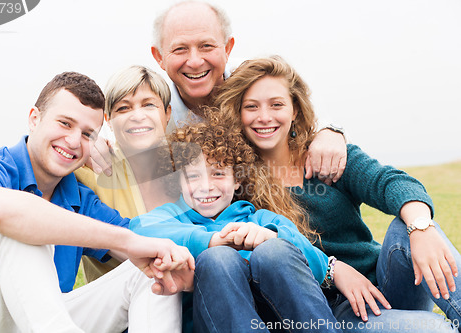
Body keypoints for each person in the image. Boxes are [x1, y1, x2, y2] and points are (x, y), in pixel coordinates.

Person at [214, 55, 461, 332]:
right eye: (251, 107)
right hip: (333, 310)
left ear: (295, 109)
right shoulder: (234, 183)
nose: (264, 117)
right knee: (435, 328)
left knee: (410, 226)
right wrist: (332, 271)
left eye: (276, 104)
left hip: (386, 284)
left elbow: (390, 182)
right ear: (238, 113)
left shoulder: (326, 157)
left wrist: (421, 227)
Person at [0, 72, 194, 333]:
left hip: (44, 322)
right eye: (64, 123)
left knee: (149, 273)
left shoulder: (79, 198)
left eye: (87, 134)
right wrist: (127, 241)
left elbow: (138, 238)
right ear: (34, 119)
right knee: (19, 225)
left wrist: (208, 242)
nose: (73, 141)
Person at [86, 0, 348, 185]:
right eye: (179, 50)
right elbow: (118, 132)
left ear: (228, 48)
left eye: (206, 46)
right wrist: (95, 141)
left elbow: (294, 112)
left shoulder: (254, 83)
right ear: (159, 57)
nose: (195, 61)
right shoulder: (154, 106)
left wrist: (329, 131)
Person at [129, 119, 349, 332]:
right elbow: (137, 231)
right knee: (218, 258)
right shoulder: (172, 217)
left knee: (275, 249)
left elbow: (318, 267)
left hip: (281, 320)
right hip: (218, 320)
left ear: (236, 180)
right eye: (193, 176)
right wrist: (212, 241)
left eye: (218, 173)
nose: (206, 186)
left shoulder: (261, 219)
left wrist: (270, 237)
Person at [74, 65, 181, 281]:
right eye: (123, 108)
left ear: (167, 113)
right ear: (108, 120)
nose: (137, 116)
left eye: (149, 105)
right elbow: (33, 160)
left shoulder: (189, 168)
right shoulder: (89, 169)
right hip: (117, 305)